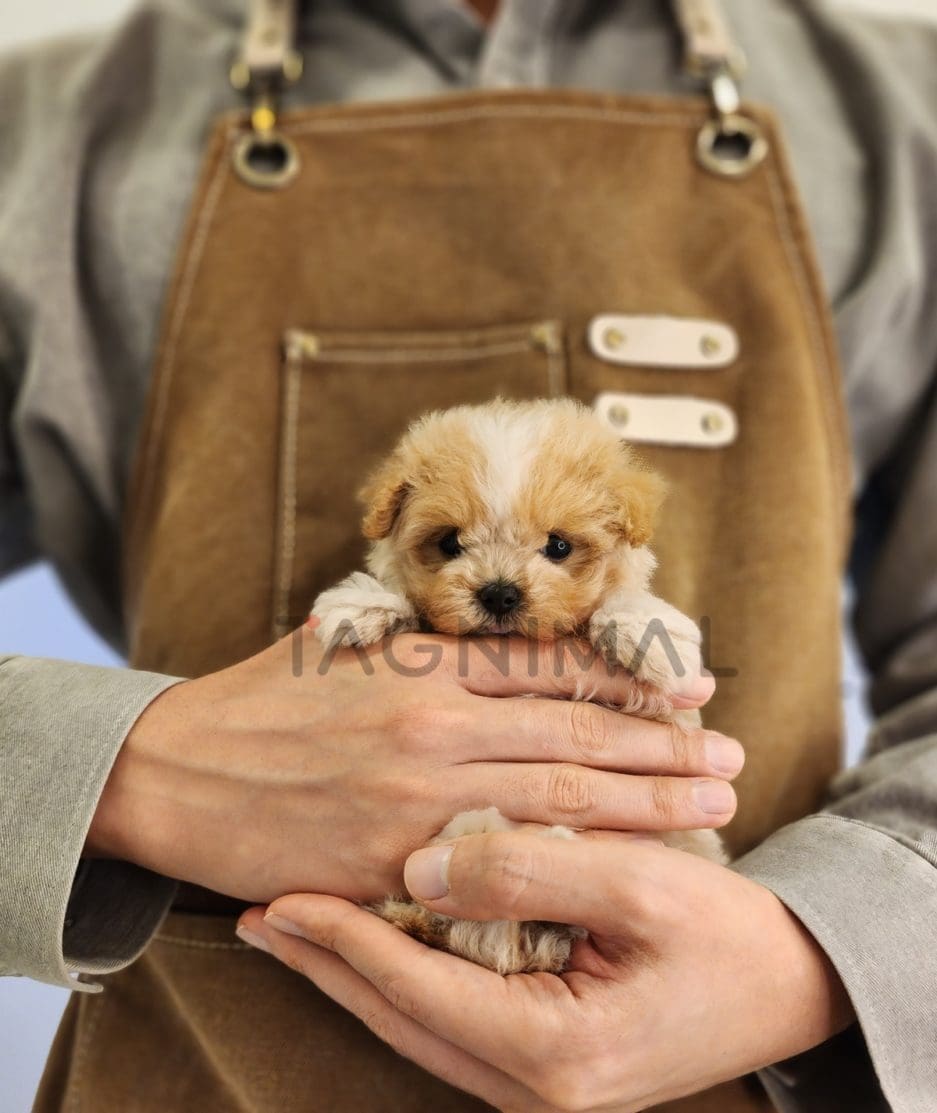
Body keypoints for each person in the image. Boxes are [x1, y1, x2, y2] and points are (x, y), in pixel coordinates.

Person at [1, 1, 935, 1111]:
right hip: (205, 1066)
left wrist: (825, 950)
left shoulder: (904, 111)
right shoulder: (46, 132)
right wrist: (118, 772)